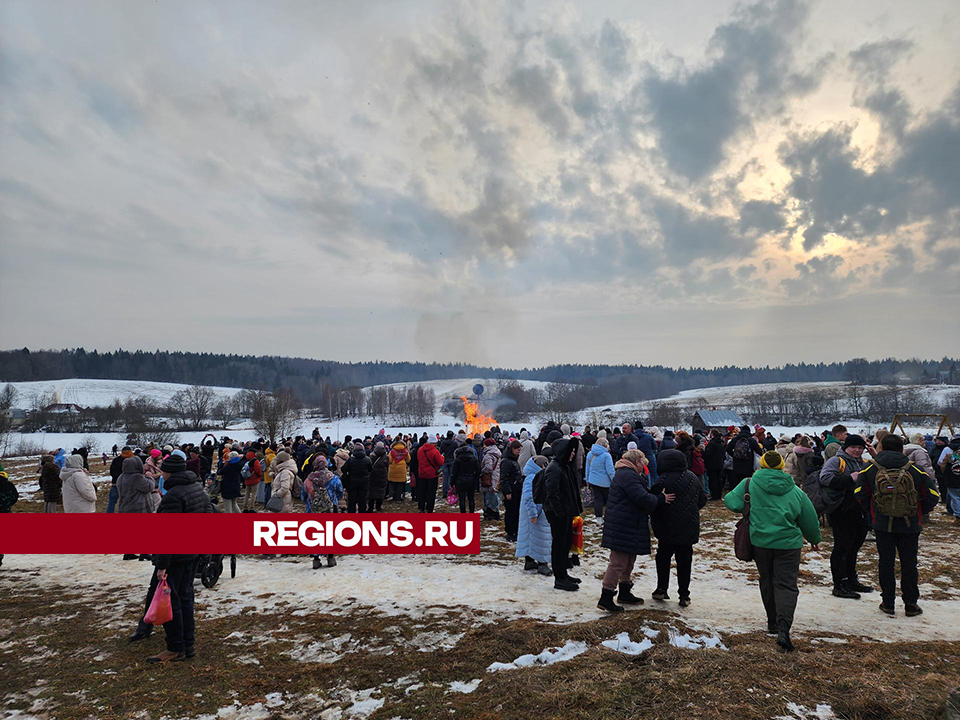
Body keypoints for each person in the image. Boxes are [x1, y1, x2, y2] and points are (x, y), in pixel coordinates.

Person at [725, 451, 822, 652]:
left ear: (761, 464)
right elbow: (809, 517)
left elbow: (731, 502)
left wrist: (749, 507)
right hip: (788, 545)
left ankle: (772, 622)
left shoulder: (749, 484)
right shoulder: (794, 490)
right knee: (786, 585)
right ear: (781, 466)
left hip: (760, 542)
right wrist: (814, 539)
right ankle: (784, 627)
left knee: (767, 580)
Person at [131, 452, 213, 662]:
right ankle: (188, 645)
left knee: (171, 602)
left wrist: (161, 565)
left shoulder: (173, 497)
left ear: (168, 473)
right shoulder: (197, 489)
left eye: (163, 471)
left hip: (177, 557)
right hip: (192, 554)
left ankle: (175, 647)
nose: (161, 475)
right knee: (186, 599)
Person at [855, 433, 939, 616]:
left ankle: (888, 602)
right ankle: (910, 604)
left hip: (882, 524)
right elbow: (933, 495)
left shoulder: (869, 468)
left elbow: (860, 493)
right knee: (909, 564)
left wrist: (873, 513)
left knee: (886, 563)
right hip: (910, 525)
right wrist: (920, 511)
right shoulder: (915, 469)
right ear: (902, 448)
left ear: (881, 447)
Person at [597, 449, 671, 611]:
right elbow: (641, 498)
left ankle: (624, 592)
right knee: (618, 562)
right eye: (642, 464)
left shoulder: (628, 474)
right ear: (637, 461)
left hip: (628, 523)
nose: (643, 468)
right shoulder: (627, 475)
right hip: (622, 524)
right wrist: (660, 499)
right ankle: (606, 597)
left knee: (629, 560)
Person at [650, 449, 707, 607]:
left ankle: (662, 588)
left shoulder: (661, 480)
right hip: (688, 525)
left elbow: (654, 503)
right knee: (685, 561)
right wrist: (690, 510)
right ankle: (684, 595)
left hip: (666, 526)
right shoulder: (693, 477)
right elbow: (702, 499)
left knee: (663, 557)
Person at [820, 434, 873, 599]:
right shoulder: (836, 461)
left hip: (859, 511)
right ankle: (839, 584)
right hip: (841, 511)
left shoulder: (862, 462)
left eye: (860, 448)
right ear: (845, 447)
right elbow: (825, 478)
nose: (857, 451)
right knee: (842, 548)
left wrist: (874, 454)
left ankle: (851, 579)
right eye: (853, 448)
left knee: (854, 547)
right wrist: (850, 478)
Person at [542, 437, 584, 591]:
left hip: (565, 512)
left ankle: (563, 573)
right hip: (557, 513)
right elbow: (552, 492)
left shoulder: (565, 466)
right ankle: (559, 578)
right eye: (570, 451)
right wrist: (560, 512)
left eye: (573, 451)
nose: (573, 454)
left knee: (566, 542)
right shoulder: (554, 467)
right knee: (558, 544)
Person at [516, 455, 552, 575]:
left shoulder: (535, 476)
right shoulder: (533, 478)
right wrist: (533, 514)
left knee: (532, 537)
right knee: (541, 538)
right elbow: (529, 497)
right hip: (536, 512)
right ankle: (542, 563)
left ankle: (530, 561)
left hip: (536, 511)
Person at [585, 437, 615, 519]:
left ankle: (598, 518)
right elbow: (610, 470)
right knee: (609, 500)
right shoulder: (606, 455)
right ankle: (609, 517)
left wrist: (587, 479)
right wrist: (614, 480)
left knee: (597, 500)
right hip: (605, 482)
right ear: (605, 445)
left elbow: (587, 468)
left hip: (593, 480)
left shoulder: (590, 454)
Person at [500, 440, 523, 542]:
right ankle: (510, 532)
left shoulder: (513, 459)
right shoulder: (506, 461)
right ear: (513, 449)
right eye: (518, 450)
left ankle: (515, 530)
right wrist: (507, 491)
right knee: (510, 512)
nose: (519, 452)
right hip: (511, 490)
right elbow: (504, 478)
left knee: (516, 511)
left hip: (517, 489)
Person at [726, 425, 762, 491]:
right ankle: (746, 497)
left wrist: (734, 456)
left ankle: (738, 497)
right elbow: (759, 451)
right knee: (747, 483)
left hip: (737, 465)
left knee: (737, 483)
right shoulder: (751, 440)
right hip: (748, 465)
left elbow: (728, 449)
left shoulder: (736, 439)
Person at [416, 436, 444, 513]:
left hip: (422, 473)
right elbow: (440, 462)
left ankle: (421, 507)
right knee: (431, 492)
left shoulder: (420, 450)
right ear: (434, 443)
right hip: (432, 475)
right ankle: (429, 508)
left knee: (422, 491)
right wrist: (442, 457)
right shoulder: (434, 451)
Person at [341, 445, 373, 513]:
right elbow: (370, 469)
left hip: (352, 482)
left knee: (352, 500)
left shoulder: (350, 460)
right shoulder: (367, 459)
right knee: (362, 500)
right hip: (364, 482)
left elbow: (343, 469)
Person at [451, 442, 480, 514]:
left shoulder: (457, 459)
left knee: (462, 499)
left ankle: (463, 515)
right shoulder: (473, 458)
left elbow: (454, 472)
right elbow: (478, 470)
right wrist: (475, 477)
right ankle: (471, 513)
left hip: (460, 481)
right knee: (471, 499)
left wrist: (452, 482)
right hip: (471, 480)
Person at [480, 438, 502, 520]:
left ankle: (490, 514)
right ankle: (495, 513)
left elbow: (488, 468)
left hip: (489, 477)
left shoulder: (489, 455)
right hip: (496, 476)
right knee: (493, 495)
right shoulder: (497, 453)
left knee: (488, 496)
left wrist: (482, 471)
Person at [107, 446, 134, 513]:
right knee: (127, 502)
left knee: (112, 502)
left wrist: (118, 478)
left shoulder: (116, 460)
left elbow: (112, 472)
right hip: (128, 485)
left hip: (115, 483)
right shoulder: (132, 460)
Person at [702, 430, 726, 500]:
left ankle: (714, 495)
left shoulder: (711, 443)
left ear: (712, 434)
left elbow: (708, 454)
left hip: (712, 465)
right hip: (720, 464)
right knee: (719, 480)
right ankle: (719, 495)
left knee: (713, 480)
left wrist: (704, 455)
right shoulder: (720, 443)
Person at [367, 443, 389, 512]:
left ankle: (370, 508)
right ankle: (378, 507)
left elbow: (369, 466)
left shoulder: (371, 456)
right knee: (381, 491)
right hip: (382, 476)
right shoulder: (386, 457)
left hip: (372, 476)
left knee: (371, 492)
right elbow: (387, 467)